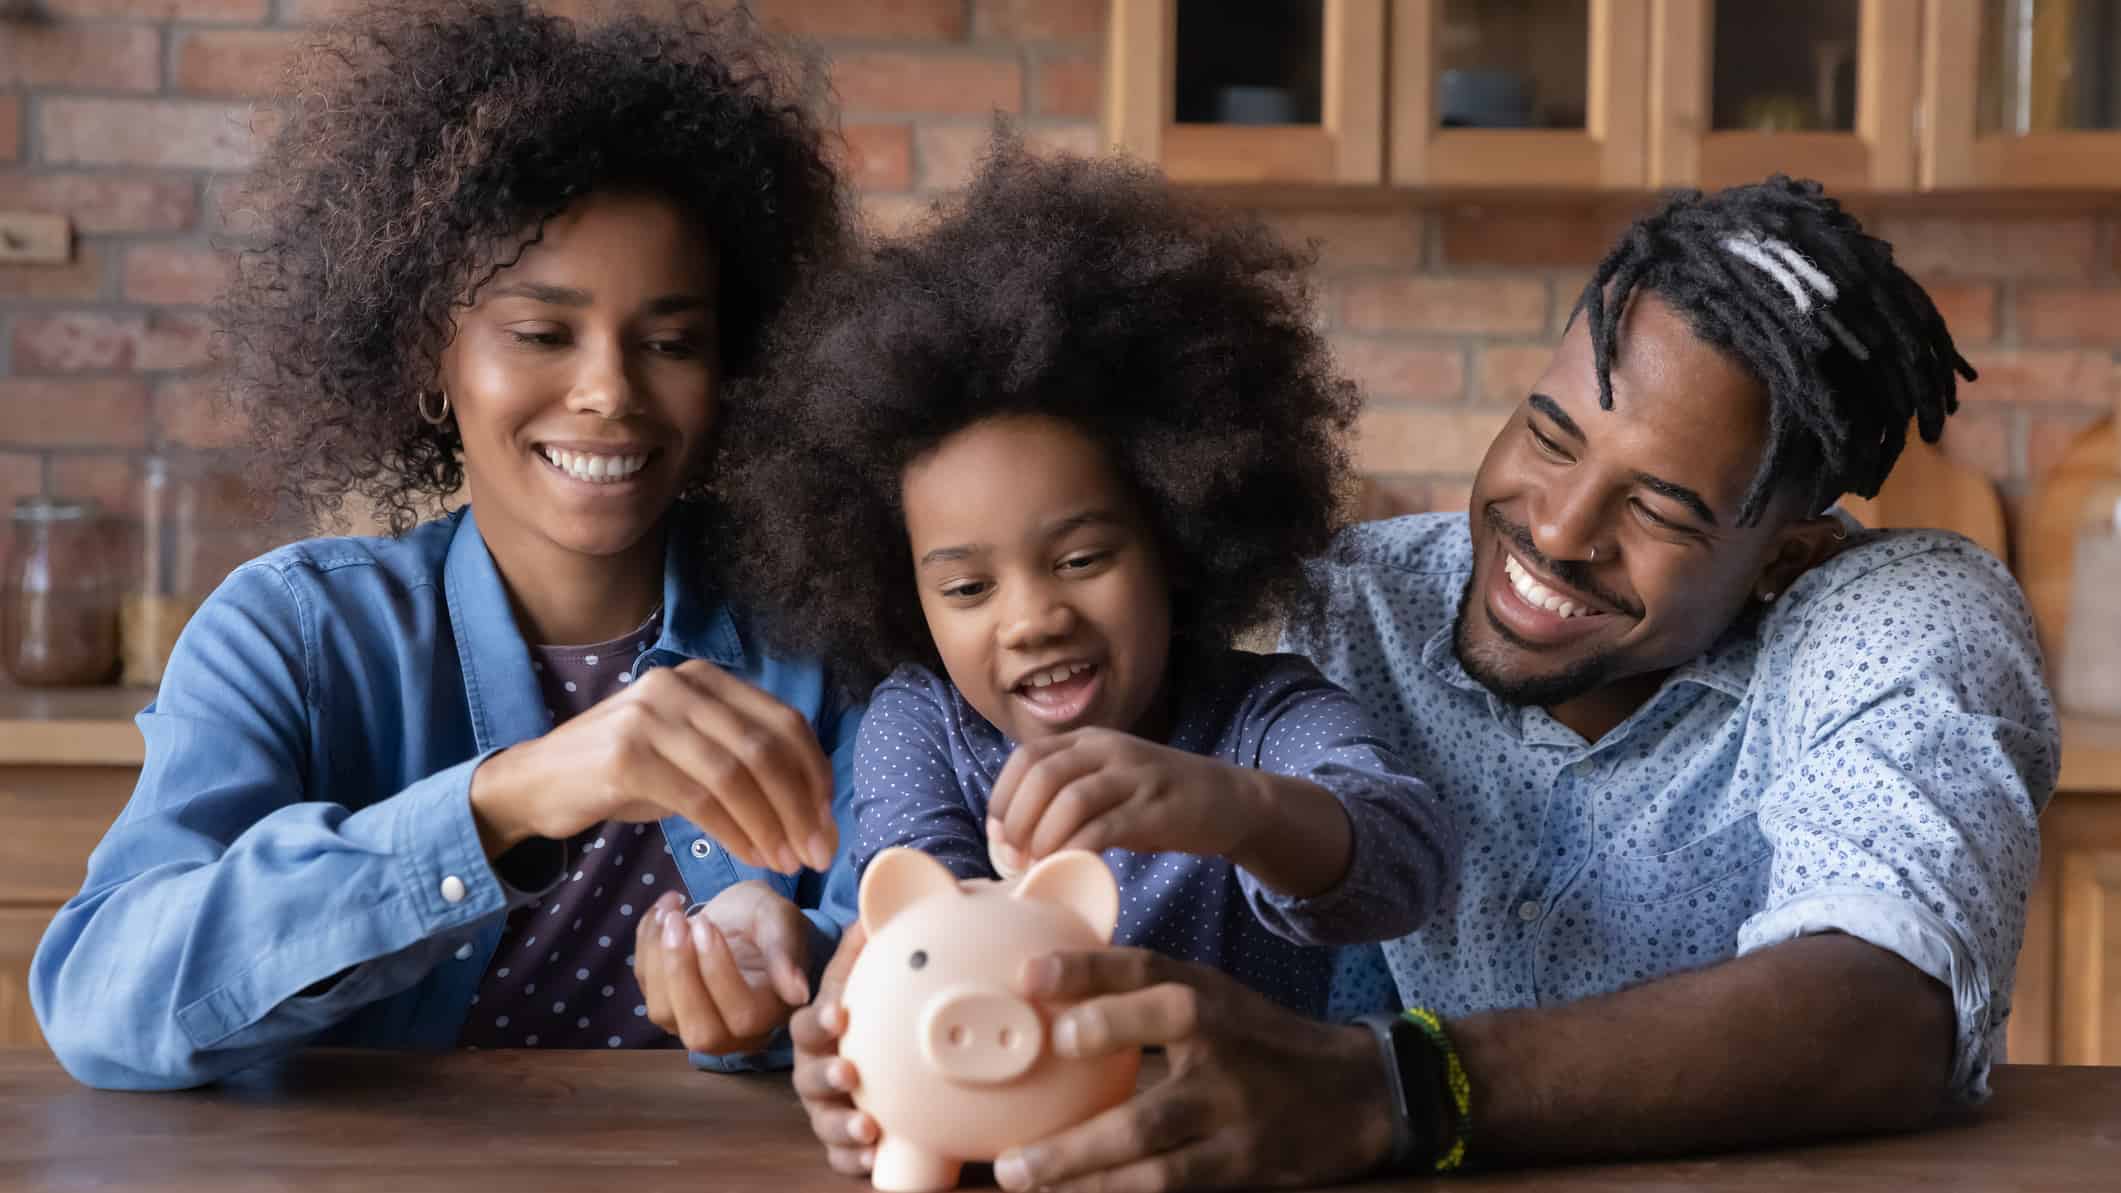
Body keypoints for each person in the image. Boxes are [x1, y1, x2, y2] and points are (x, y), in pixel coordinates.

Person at [792, 176, 2060, 1187]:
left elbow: (1888, 1006)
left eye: (1660, 508)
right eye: (1551, 433)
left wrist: (1388, 1087)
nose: (1557, 530)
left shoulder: (1901, 614)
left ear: (1788, 545)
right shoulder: (1353, 602)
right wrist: (844, 979)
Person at [32, 0, 858, 1089]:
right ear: (431, 353)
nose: (608, 389)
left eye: (670, 341)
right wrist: (508, 798)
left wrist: (807, 969)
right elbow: (103, 996)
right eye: (540, 333)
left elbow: (929, 947)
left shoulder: (828, 630)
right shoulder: (295, 633)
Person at [713, 138, 1454, 1042]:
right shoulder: (923, 725)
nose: (1032, 618)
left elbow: (1407, 860)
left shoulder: (1266, 720)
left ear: (1177, 539)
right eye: (969, 586)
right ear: (903, 593)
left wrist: (1229, 806)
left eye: (1079, 560)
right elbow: (920, 912)